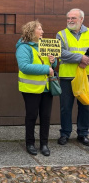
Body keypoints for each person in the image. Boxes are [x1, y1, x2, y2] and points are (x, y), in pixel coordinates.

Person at [16, 20, 57, 156]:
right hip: (31, 88)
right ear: (31, 31)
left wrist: (53, 60)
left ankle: (44, 144)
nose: (42, 32)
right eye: (39, 29)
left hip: (46, 87)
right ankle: (30, 143)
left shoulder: (44, 45)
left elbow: (52, 65)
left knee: (45, 117)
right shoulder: (23, 47)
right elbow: (24, 66)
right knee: (32, 116)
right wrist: (46, 68)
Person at [56, 8, 89, 146]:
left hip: (85, 75)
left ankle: (83, 133)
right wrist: (80, 58)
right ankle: (65, 133)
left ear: (81, 19)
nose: (70, 21)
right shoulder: (61, 34)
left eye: (73, 18)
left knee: (85, 105)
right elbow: (60, 53)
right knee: (65, 107)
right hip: (66, 76)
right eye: (68, 18)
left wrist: (86, 61)